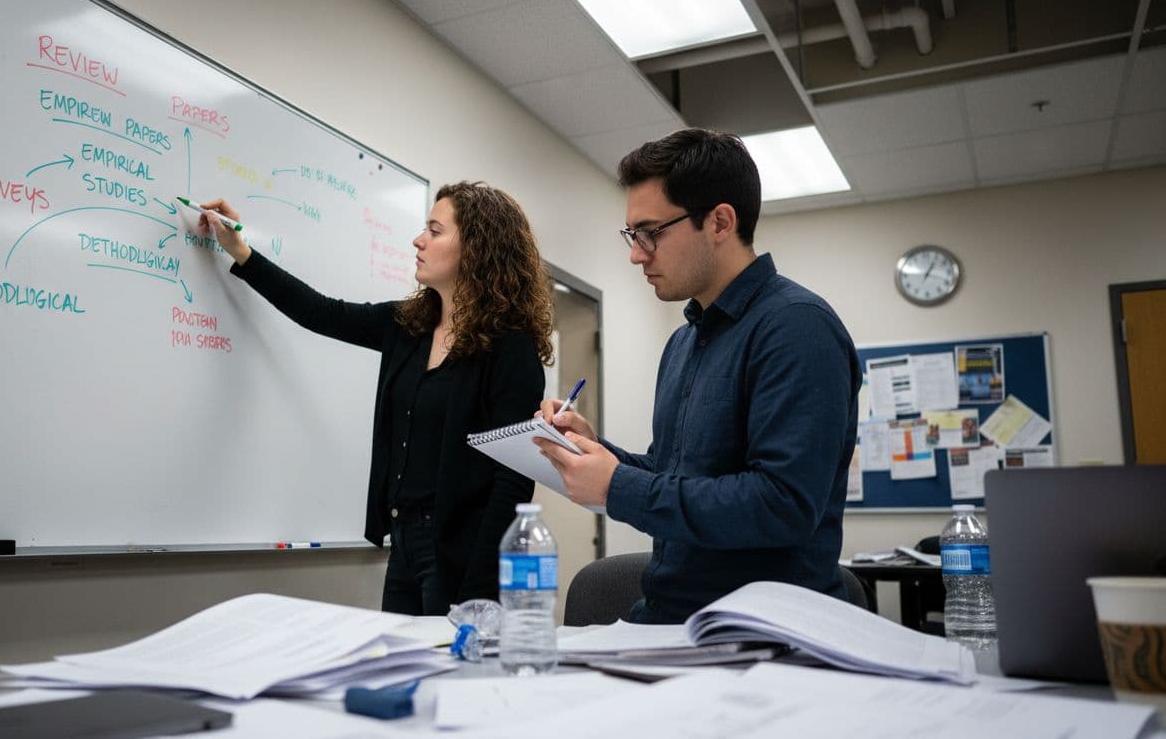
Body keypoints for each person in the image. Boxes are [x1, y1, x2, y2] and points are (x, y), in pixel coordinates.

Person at [535, 129, 861, 624]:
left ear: (720, 221)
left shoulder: (798, 327)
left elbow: (782, 504)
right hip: (671, 618)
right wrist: (597, 452)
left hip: (763, 633)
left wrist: (616, 487)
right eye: (632, 235)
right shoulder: (684, 341)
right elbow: (677, 474)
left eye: (651, 233)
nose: (636, 254)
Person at [200, 182, 554, 614]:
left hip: (463, 558)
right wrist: (240, 250)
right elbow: (320, 312)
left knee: (455, 676)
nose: (418, 240)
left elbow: (513, 479)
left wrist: (480, 589)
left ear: (477, 248)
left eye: (435, 231)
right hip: (404, 547)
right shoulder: (408, 325)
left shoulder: (509, 349)